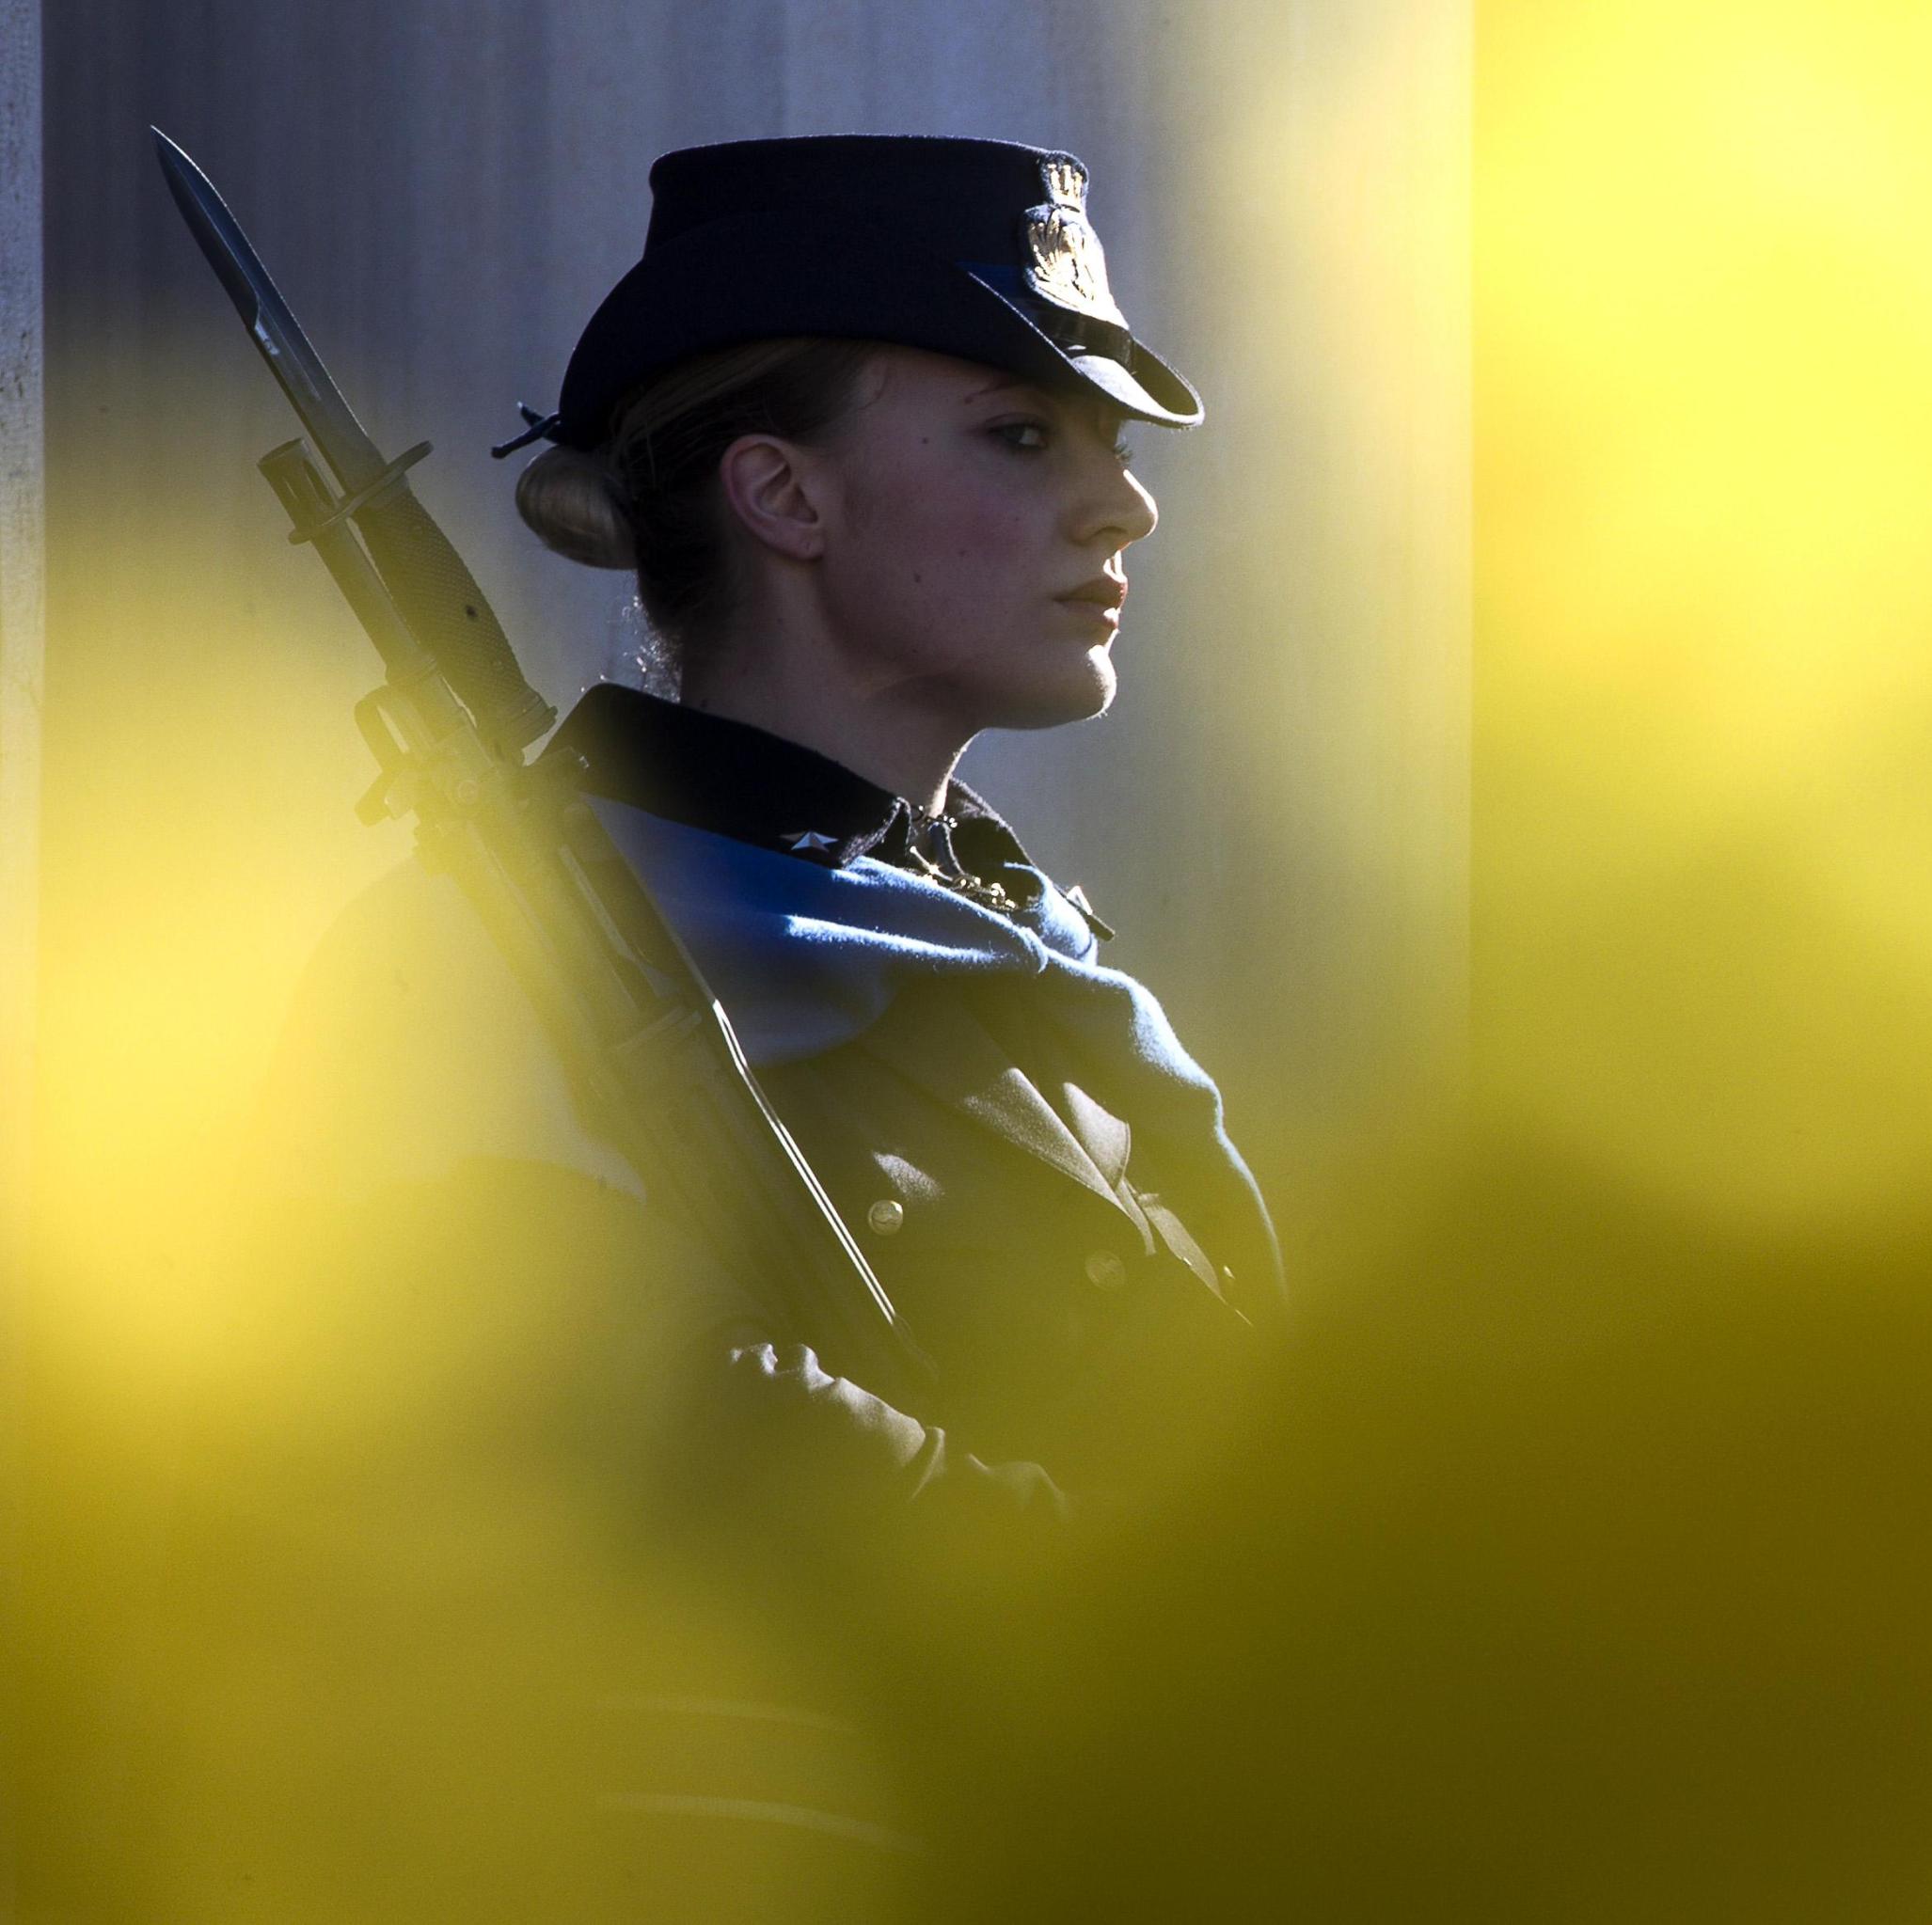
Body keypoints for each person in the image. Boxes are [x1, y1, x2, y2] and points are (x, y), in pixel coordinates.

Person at [179, 135, 1278, 1919]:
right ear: (784, 496)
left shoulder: (1040, 967)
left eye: (1115, 451)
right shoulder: (491, 950)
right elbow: (539, 1421)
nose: (1123, 508)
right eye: (1021, 434)